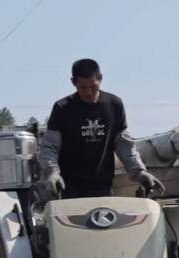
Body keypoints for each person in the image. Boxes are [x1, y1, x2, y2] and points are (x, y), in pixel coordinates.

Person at [36, 58, 163, 200]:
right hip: (68, 187)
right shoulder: (63, 108)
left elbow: (124, 145)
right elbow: (49, 147)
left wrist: (139, 172)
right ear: (73, 83)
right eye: (82, 88)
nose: (89, 92)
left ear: (100, 79)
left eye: (93, 87)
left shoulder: (114, 105)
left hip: (102, 185)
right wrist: (52, 172)